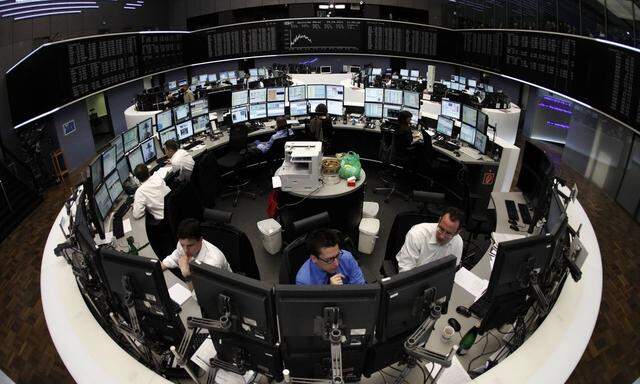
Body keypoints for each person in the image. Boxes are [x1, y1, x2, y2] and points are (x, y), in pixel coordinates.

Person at [396, 207, 465, 272]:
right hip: (413, 276)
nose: (442, 236)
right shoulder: (417, 234)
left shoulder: (458, 242)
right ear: (439, 220)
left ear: (457, 232)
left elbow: (451, 269)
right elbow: (405, 270)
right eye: (441, 229)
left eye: (448, 233)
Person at [161, 219, 232, 282]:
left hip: (223, 284)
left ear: (201, 240)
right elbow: (173, 258)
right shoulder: (183, 244)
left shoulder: (213, 262)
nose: (185, 250)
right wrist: (156, 270)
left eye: (190, 246)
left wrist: (187, 275)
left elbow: (200, 293)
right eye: (182, 245)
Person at [296, 229, 365, 285]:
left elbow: (359, 285)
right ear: (314, 258)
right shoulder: (304, 281)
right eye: (330, 259)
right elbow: (316, 302)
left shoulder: (346, 257)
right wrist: (330, 291)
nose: (336, 263)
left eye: (337, 255)